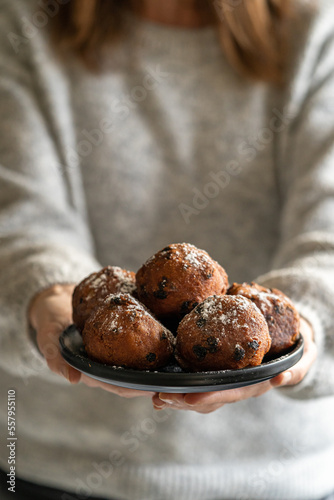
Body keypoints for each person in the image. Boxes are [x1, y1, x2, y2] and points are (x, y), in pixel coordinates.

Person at [0, 0, 334, 499]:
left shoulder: (314, 29)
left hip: (276, 470)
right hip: (56, 461)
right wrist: (43, 287)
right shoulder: (25, 19)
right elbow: (17, 212)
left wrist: (305, 321)